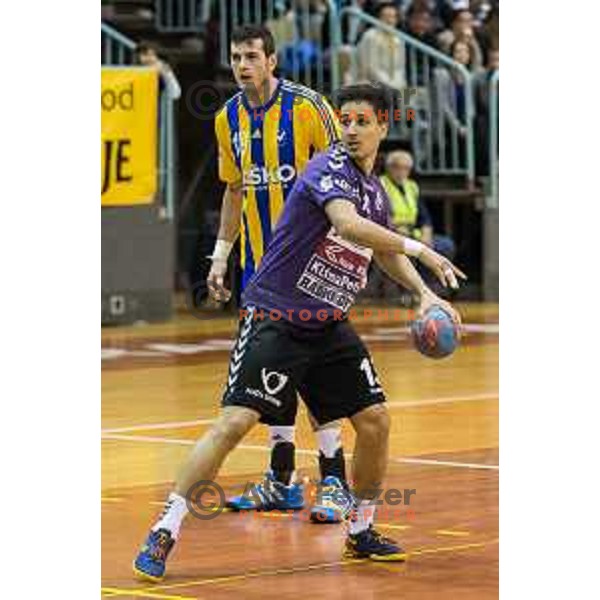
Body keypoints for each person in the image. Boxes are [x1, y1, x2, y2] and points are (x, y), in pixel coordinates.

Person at [134, 83, 465, 580]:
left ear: (382, 125)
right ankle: (166, 526)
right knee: (235, 423)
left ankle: (362, 529)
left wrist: (423, 293)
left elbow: (382, 249)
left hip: (329, 324)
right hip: (276, 317)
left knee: (375, 421)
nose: (350, 130)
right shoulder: (327, 168)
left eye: (361, 121)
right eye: (345, 120)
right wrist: (425, 250)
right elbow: (349, 227)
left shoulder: (374, 190)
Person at [208, 24, 347, 523]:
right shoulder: (227, 118)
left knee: (313, 372)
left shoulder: (308, 107)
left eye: (250, 56)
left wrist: (343, 254)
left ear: (272, 59)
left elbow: (344, 177)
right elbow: (233, 189)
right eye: (235, 57)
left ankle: (334, 480)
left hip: (311, 266)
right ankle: (282, 480)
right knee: (269, 371)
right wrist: (221, 255)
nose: (242, 65)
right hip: (259, 272)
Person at [380, 150, 455, 258]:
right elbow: (381, 217)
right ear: (388, 168)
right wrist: (397, 229)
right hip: (393, 234)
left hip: (414, 234)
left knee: (446, 245)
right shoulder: (381, 185)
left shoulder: (412, 187)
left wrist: (426, 235)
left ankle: (425, 275)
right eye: (397, 167)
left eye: (406, 168)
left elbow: (424, 217)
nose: (402, 172)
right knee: (413, 250)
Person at [355, 2, 406, 92]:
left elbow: (400, 67)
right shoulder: (370, 36)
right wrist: (388, 84)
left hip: (394, 83)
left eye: (393, 17)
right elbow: (371, 68)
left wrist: (397, 82)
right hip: (370, 82)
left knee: (406, 93)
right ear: (378, 18)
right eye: (385, 17)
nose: (389, 20)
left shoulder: (398, 38)